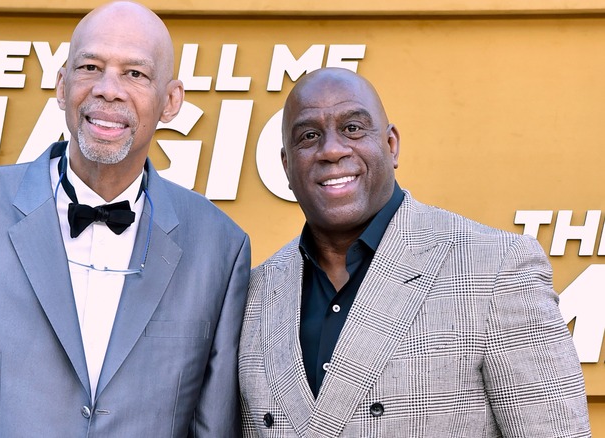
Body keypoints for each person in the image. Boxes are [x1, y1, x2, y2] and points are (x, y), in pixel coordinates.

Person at [0, 2, 250, 436]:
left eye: (135, 73)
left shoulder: (220, 247)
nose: (108, 89)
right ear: (61, 85)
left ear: (171, 101)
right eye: (91, 67)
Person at [238, 67, 590, 437]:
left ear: (391, 145)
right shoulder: (254, 293)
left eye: (353, 128)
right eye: (309, 136)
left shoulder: (496, 268)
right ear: (286, 166)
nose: (332, 150)